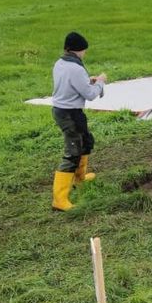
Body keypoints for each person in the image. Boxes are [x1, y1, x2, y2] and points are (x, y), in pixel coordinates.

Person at [50, 32, 106, 211]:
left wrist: (87, 81)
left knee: (86, 141)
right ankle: (59, 199)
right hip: (69, 113)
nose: (85, 54)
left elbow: (70, 84)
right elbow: (90, 94)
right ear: (79, 50)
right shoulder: (76, 68)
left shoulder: (61, 63)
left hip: (68, 110)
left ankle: (80, 179)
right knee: (72, 152)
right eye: (84, 51)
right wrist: (101, 82)